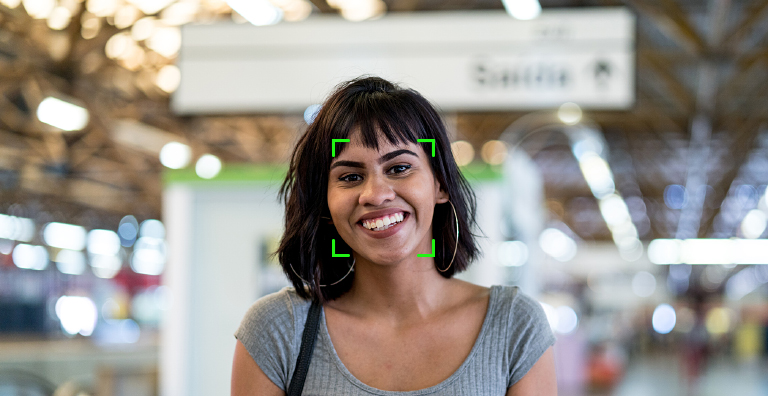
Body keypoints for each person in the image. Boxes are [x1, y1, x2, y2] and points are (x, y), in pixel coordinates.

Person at [231, 76, 557, 395]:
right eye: (350, 176)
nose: (375, 194)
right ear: (325, 204)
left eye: (399, 168)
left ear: (440, 183)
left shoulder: (515, 326)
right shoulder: (279, 329)